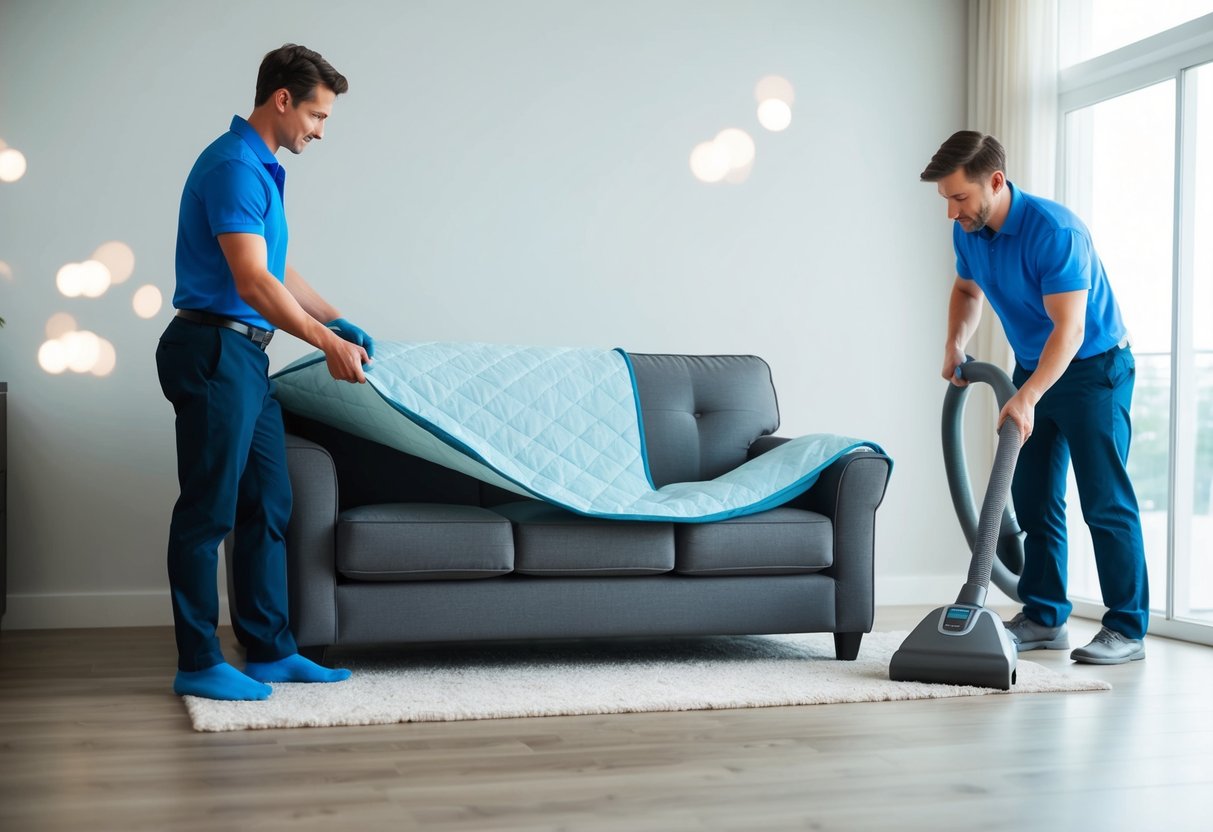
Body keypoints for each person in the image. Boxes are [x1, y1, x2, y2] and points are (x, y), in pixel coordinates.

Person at [156, 44, 376, 700]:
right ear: (282, 100)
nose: (320, 129)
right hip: (213, 352)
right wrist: (321, 343)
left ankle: (270, 649)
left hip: (245, 355)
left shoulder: (261, 168)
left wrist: (334, 320)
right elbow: (251, 283)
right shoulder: (232, 167)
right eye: (316, 114)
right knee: (209, 509)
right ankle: (197, 661)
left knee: (267, 502)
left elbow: (275, 268)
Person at [921, 131, 1149, 665]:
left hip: (1094, 369)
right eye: (946, 200)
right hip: (1033, 368)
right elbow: (966, 289)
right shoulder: (970, 232)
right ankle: (1045, 616)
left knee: (1105, 501)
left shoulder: (1055, 231)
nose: (952, 212)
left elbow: (1068, 331)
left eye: (960, 198)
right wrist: (956, 342)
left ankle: (1127, 629)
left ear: (995, 182)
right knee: (1033, 496)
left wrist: (1027, 397)